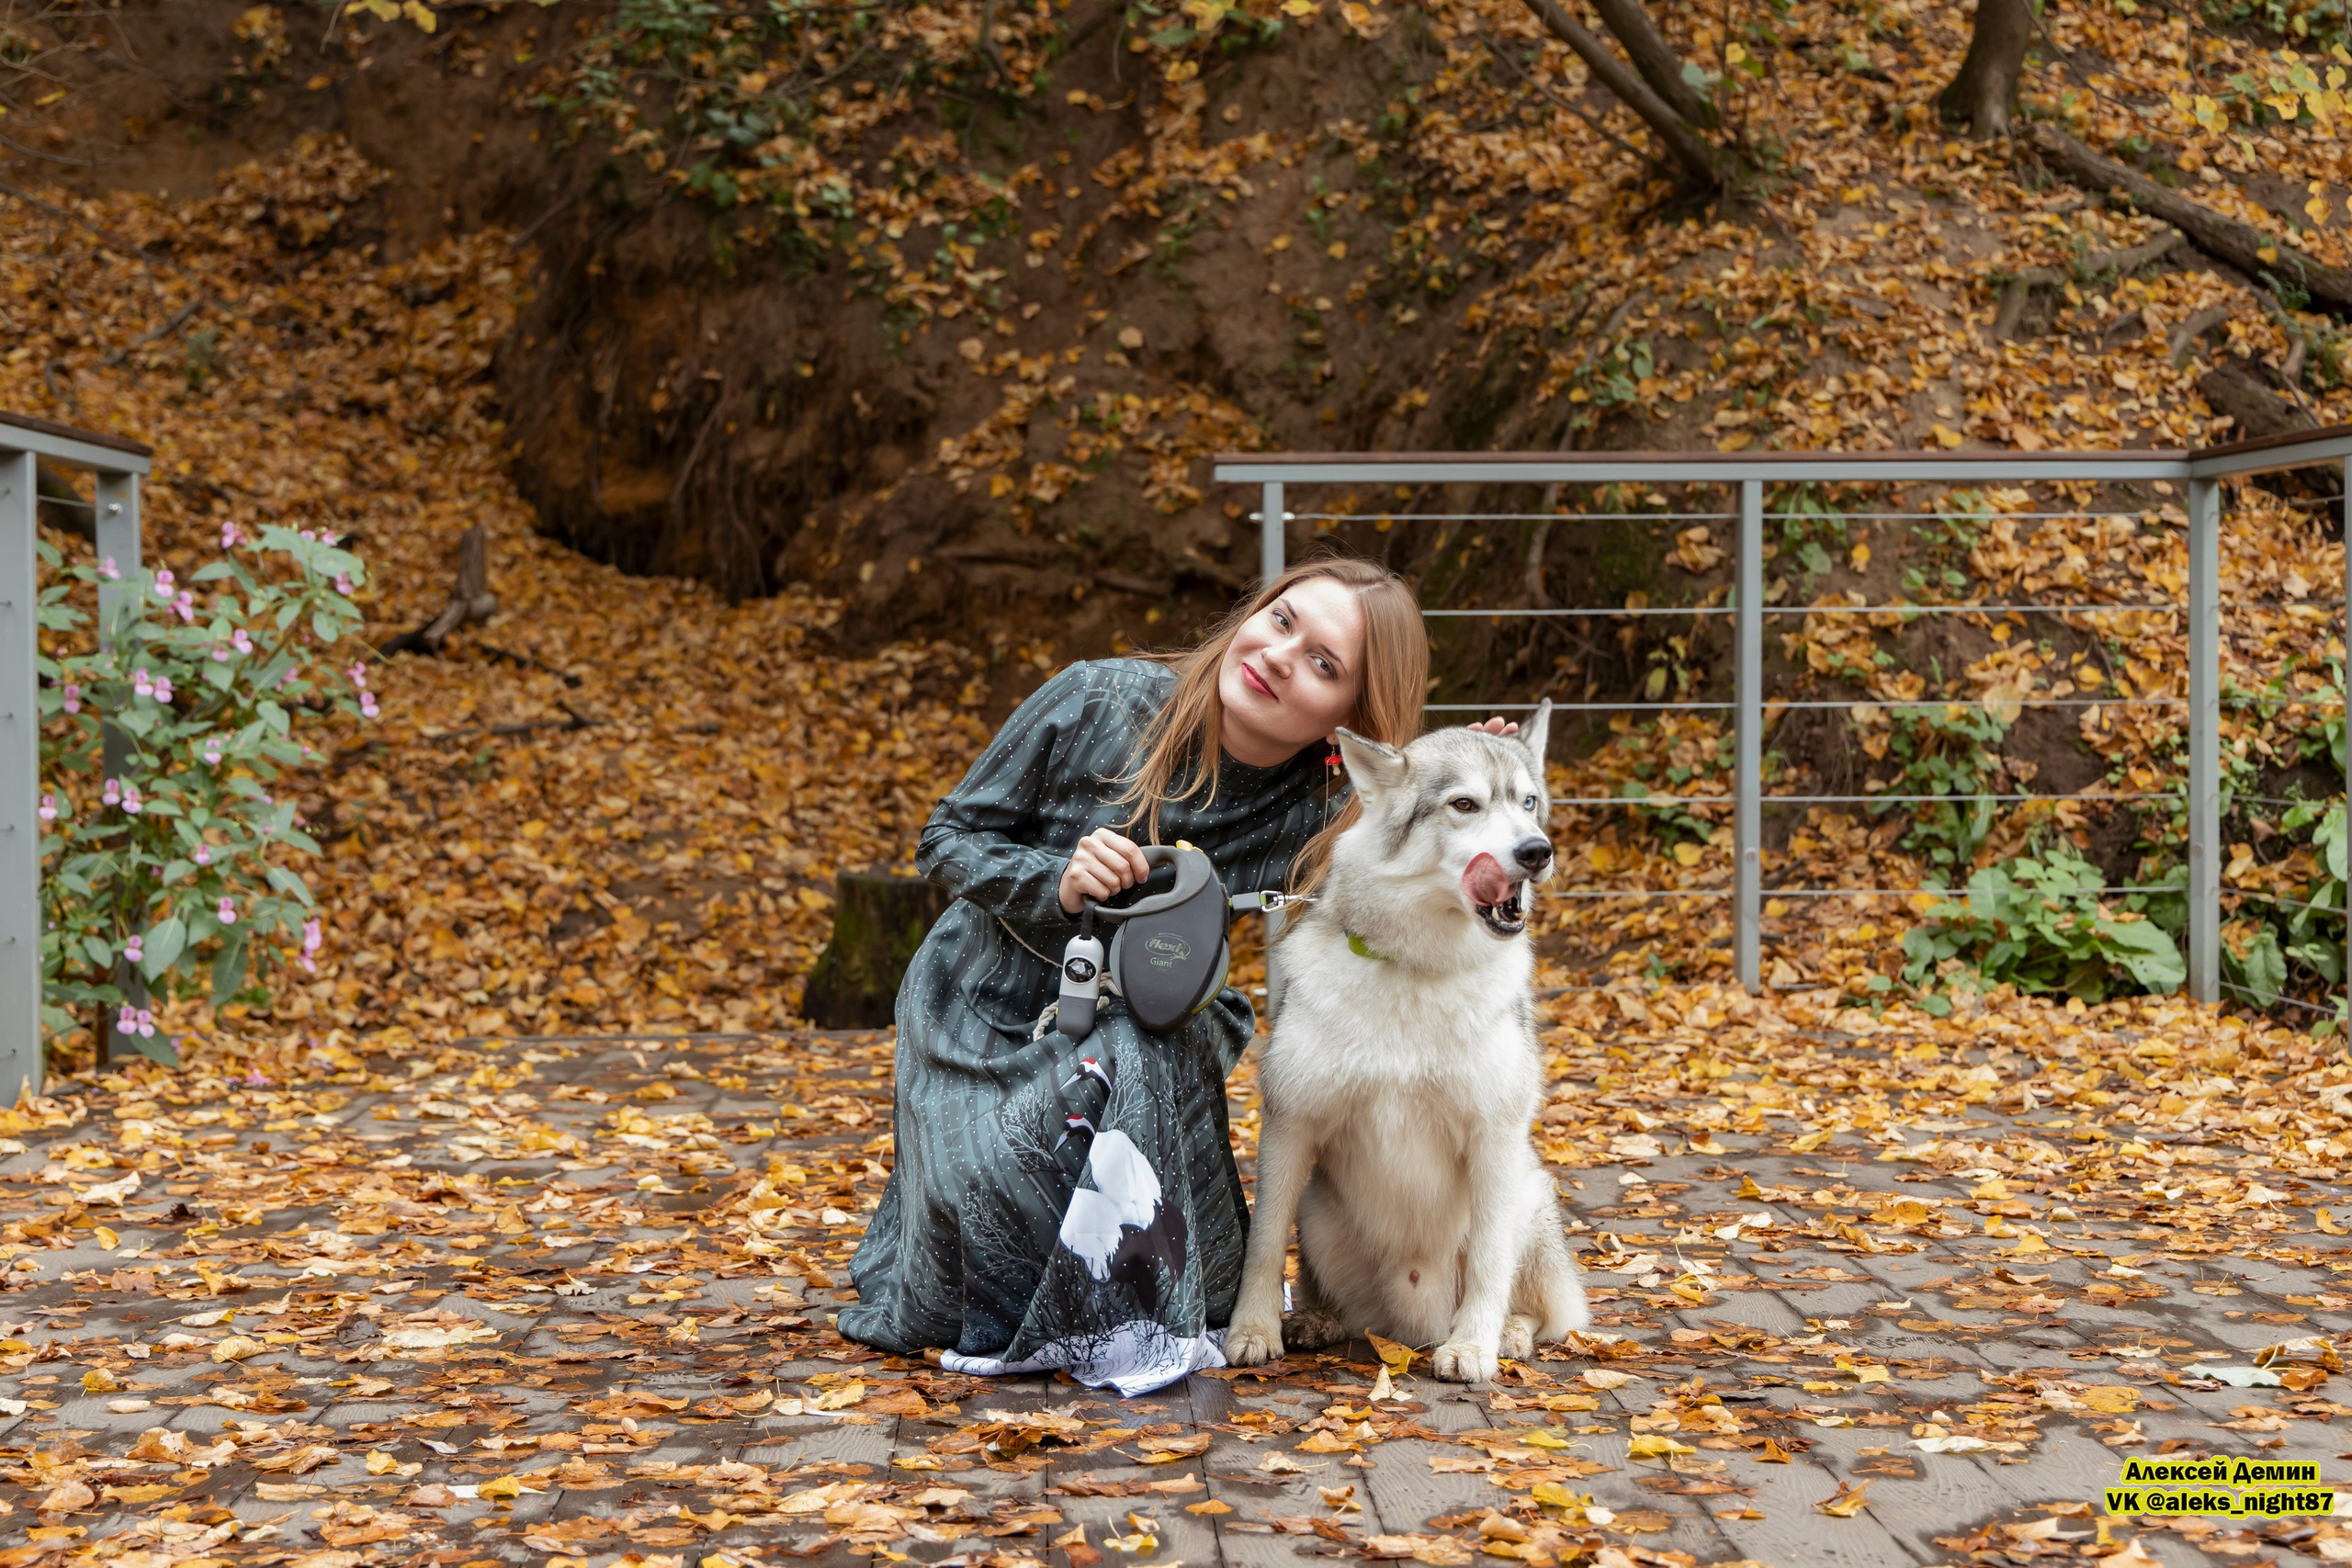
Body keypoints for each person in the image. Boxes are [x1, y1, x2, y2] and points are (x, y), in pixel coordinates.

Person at [842, 555, 1504, 1395]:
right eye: (1283, 620)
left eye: (1325, 665)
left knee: (1216, 1290)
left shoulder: (1321, 810)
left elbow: (1420, 862)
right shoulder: (1098, 699)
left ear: (1351, 714)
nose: (1280, 655)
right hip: (988, 1003)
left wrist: (1475, 788)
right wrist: (1058, 880)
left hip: (1154, 1007)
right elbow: (946, 835)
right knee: (992, 1254)